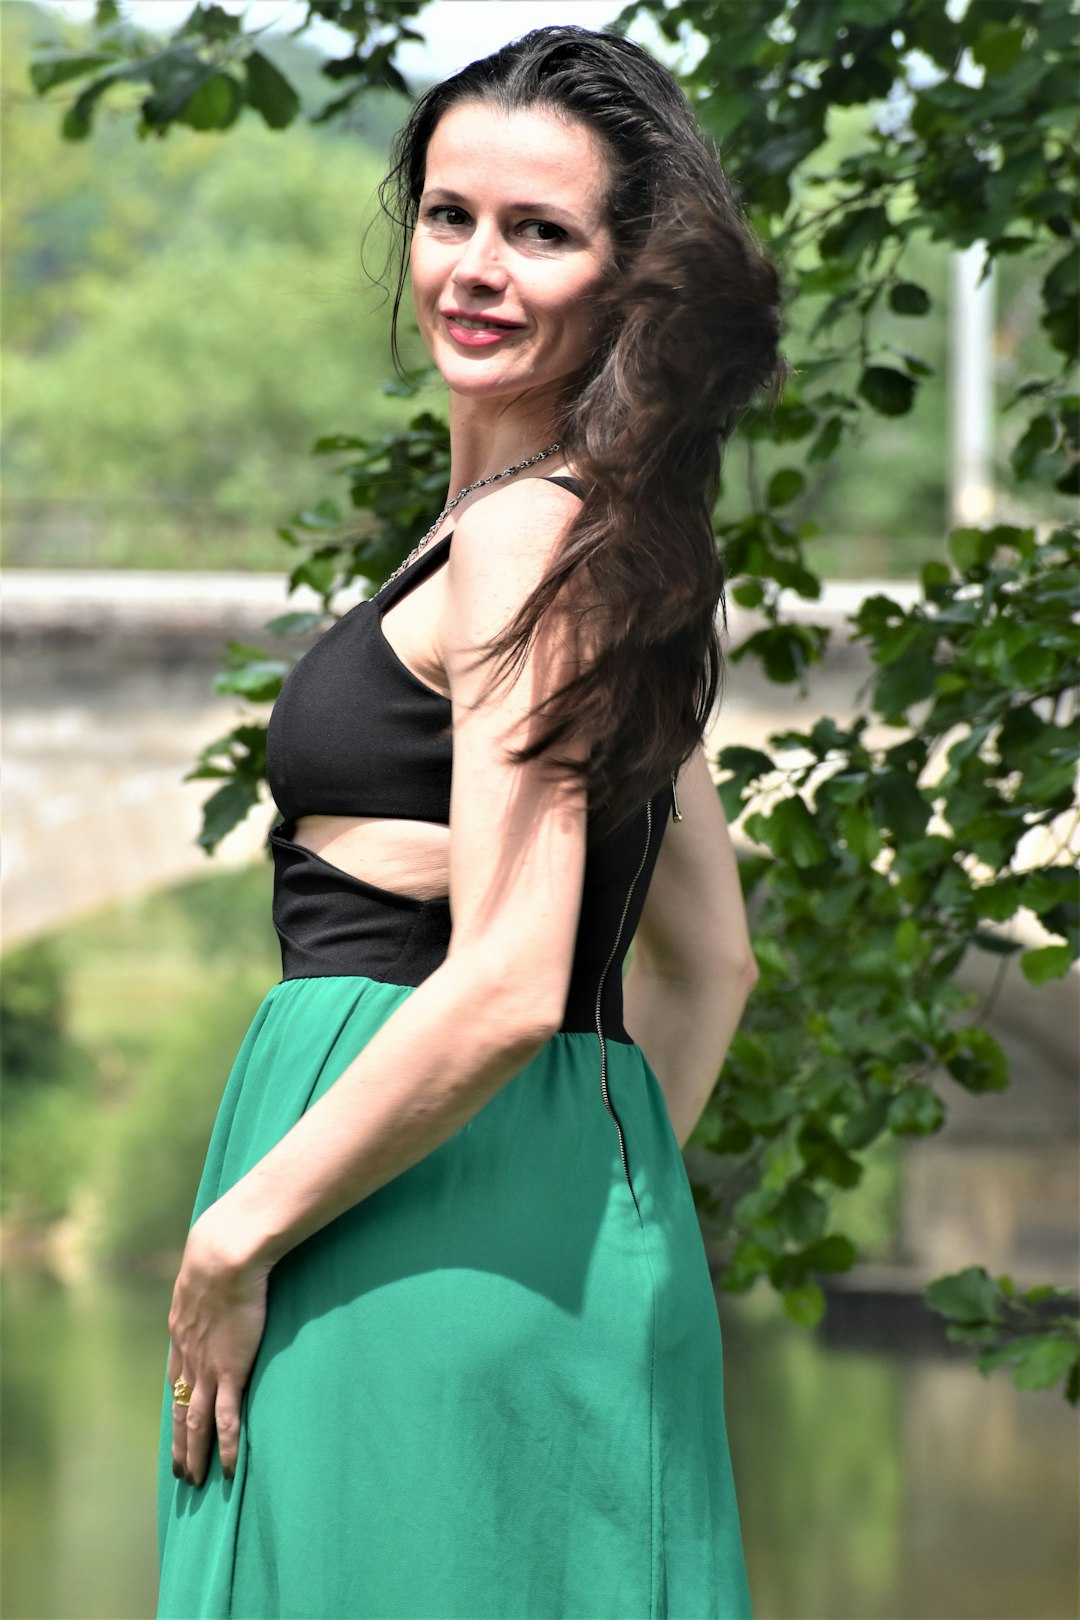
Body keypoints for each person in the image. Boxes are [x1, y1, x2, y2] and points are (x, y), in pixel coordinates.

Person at [156, 24, 781, 1620]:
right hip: (506, 1226)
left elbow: (509, 978)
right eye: (451, 217)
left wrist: (238, 1236)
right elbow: (712, 965)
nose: (477, 270)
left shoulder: (524, 547)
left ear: (630, 277)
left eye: (542, 232)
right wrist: (577, 1184)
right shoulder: (617, 551)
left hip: (385, 1240)